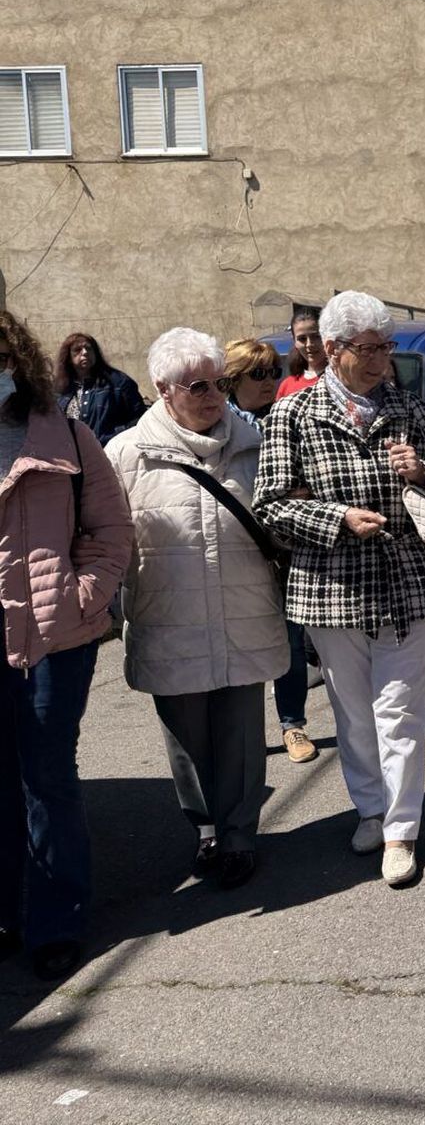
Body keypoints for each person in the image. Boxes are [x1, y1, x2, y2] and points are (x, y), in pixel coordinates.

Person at [255, 291, 425, 888]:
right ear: (332, 348)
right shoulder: (294, 415)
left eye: (385, 347)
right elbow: (269, 506)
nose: (381, 361)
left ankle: (401, 830)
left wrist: (423, 471)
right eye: (368, 349)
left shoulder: (411, 408)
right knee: (353, 714)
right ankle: (370, 809)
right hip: (331, 589)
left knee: (399, 711)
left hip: (408, 583)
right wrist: (336, 520)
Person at [107, 329, 290, 891]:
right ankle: (206, 828)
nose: (213, 395)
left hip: (244, 611)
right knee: (185, 737)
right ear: (163, 389)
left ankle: (239, 837)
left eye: (220, 383)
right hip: (168, 618)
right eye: (197, 386)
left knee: (239, 734)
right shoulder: (125, 455)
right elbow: (107, 541)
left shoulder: (257, 442)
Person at [0, 310, 133, 981]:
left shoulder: (70, 436)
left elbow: (113, 532)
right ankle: (7, 908)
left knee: (46, 777)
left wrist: (82, 597)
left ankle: (57, 917)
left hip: (55, 637)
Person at [224, 339, 318, 763]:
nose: (269, 382)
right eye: (258, 374)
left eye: (273, 373)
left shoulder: (285, 416)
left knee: (290, 640)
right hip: (236, 545)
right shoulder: (221, 422)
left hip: (280, 546)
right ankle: (241, 734)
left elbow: (303, 479)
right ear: (233, 378)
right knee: (240, 643)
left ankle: (292, 725)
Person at [54, 332, 145, 445]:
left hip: (109, 450)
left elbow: (140, 419)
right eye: (77, 350)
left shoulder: (118, 382)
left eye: (89, 348)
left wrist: (116, 436)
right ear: (68, 357)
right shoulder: (59, 388)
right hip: (71, 454)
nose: (85, 353)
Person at [275, 308, 327, 400]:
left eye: (316, 337)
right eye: (302, 339)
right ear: (294, 341)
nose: (309, 344)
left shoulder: (342, 381)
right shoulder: (287, 385)